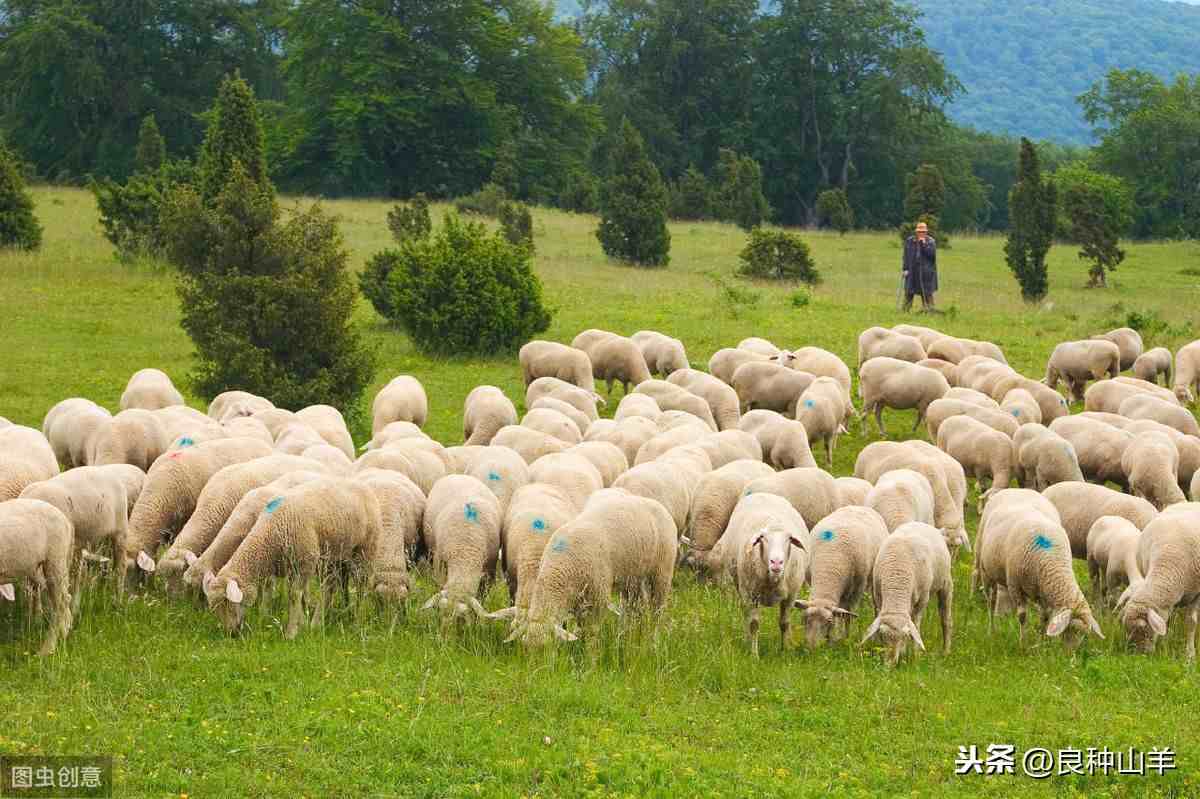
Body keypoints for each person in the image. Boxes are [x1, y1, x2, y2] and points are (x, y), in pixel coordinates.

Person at [902, 221, 938, 312]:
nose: (921, 233)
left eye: (923, 232)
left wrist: (923, 245)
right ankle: (905, 310)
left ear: (926, 232)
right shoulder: (910, 241)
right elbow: (906, 256)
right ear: (916, 232)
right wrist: (905, 269)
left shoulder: (931, 242)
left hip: (926, 272)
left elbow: (931, 256)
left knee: (926, 292)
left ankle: (929, 310)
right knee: (909, 291)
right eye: (919, 232)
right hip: (912, 270)